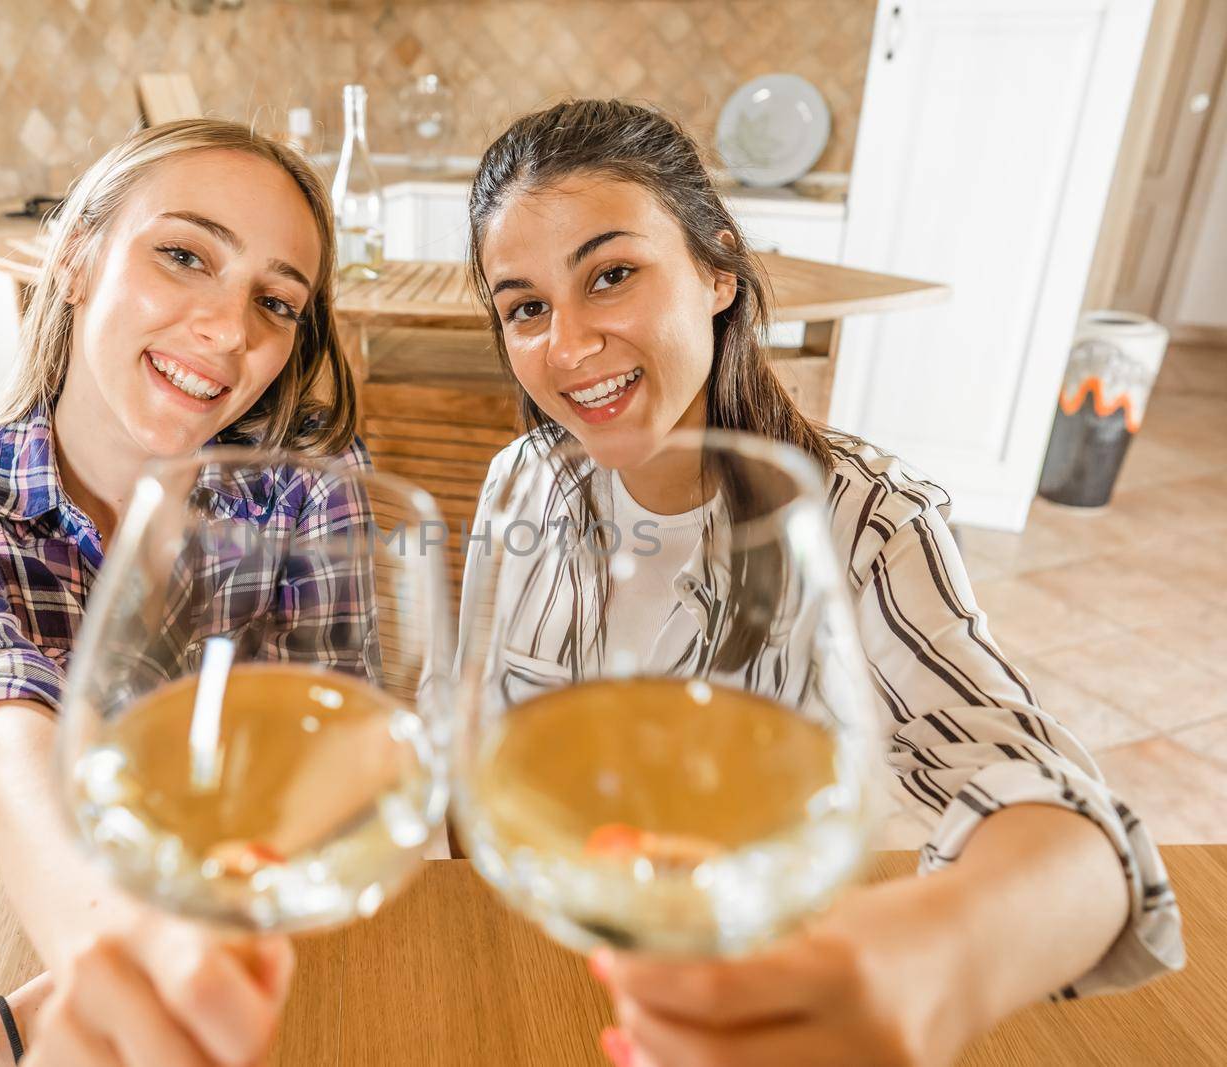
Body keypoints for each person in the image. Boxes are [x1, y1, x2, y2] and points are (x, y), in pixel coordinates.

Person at [461, 99, 1183, 1067]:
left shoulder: (867, 526)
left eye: (613, 275)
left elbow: (1076, 840)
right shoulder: (520, 483)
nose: (567, 344)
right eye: (526, 307)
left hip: (761, 988)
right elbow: (476, 746)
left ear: (718, 270)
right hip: (537, 966)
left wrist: (933, 958)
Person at [0, 118, 368, 1066]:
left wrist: (12, 1026)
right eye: (183, 255)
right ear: (79, 256)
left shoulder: (305, 484)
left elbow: (317, 795)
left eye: (277, 301)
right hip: (57, 922)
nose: (227, 329)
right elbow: (8, 750)